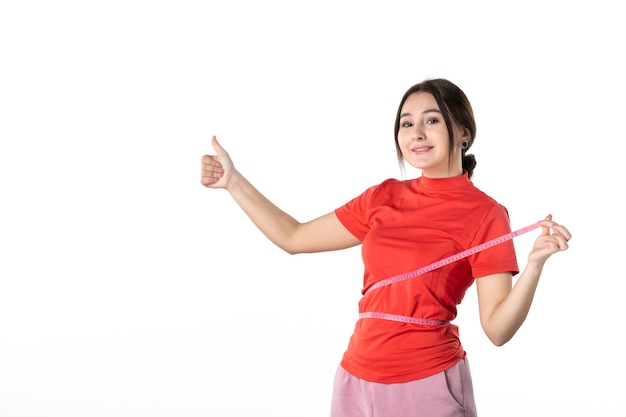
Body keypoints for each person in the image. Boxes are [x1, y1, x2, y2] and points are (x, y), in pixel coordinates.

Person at [200, 78, 571, 417]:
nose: (417, 133)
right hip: (355, 378)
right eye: (406, 124)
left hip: (427, 383)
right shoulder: (383, 197)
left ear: (463, 133)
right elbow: (294, 237)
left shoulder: (486, 214)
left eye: (432, 121)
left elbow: (497, 330)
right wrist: (234, 183)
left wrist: (535, 264)